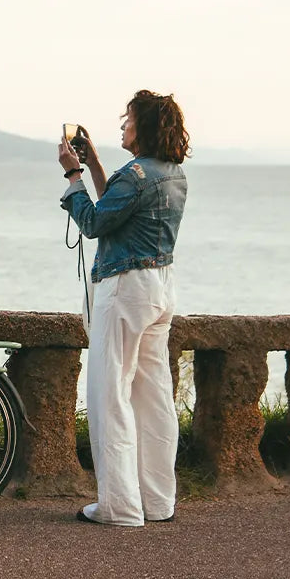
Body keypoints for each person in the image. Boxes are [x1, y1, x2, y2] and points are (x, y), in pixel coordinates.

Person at [57, 89, 190, 528]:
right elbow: (117, 210)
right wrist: (94, 164)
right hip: (159, 288)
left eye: (128, 120)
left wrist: (73, 177)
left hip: (125, 289)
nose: (122, 126)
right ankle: (157, 500)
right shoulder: (172, 174)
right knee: (153, 397)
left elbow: (95, 222)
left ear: (144, 128)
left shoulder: (135, 175)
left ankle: (119, 507)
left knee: (109, 393)